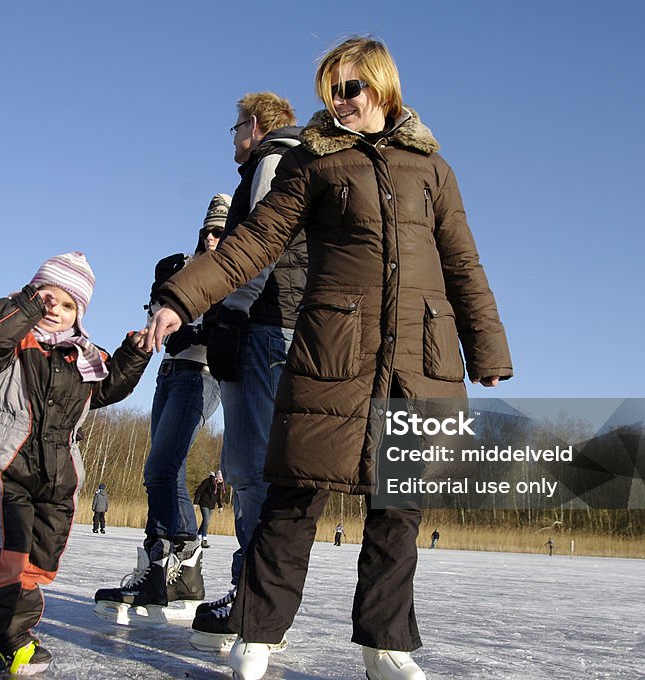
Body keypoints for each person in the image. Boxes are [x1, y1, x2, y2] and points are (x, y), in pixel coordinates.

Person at [148, 37, 513, 680]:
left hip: (421, 358)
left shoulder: (434, 170)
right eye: (330, 91)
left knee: (399, 508)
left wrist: (486, 346)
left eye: (351, 88)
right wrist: (182, 297)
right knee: (294, 497)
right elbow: (252, 243)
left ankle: (385, 644)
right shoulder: (315, 163)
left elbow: (463, 264)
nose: (338, 102)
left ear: (382, 88)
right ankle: (259, 634)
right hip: (332, 354)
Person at [0, 251, 151, 679]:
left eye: (68, 304)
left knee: (37, 563)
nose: (56, 309)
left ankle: (13, 633)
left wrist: (135, 352)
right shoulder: (11, 344)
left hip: (58, 476)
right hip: (4, 466)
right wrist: (29, 305)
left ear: (80, 314)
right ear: (32, 294)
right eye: (49, 297)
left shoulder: (82, 359)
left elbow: (108, 389)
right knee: (0, 555)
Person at [190, 92, 308, 651]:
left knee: (251, 466)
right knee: (253, 465)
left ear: (255, 125)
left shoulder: (272, 161)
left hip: (264, 324)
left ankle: (253, 600)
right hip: (276, 324)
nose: (232, 136)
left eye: (235, 125)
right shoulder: (293, 160)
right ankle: (255, 596)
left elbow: (260, 244)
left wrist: (231, 315)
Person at [93, 196, 226, 627]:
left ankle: (184, 560)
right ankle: (158, 568)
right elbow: (161, 314)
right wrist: (161, 300)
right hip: (169, 373)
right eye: (208, 228)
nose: (212, 236)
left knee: (161, 466)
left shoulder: (233, 276)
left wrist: (193, 319)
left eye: (222, 231)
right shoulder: (184, 268)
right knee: (167, 467)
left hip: (201, 374)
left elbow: (226, 327)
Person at [193, 472, 222, 549]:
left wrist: (220, 506)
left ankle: (198, 536)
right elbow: (199, 491)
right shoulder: (207, 481)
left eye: (222, 480)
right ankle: (204, 540)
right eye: (220, 479)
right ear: (216, 478)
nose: (221, 481)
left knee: (205, 521)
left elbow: (218, 496)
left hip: (212, 505)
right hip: (204, 503)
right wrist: (195, 503)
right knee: (206, 521)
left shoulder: (219, 485)